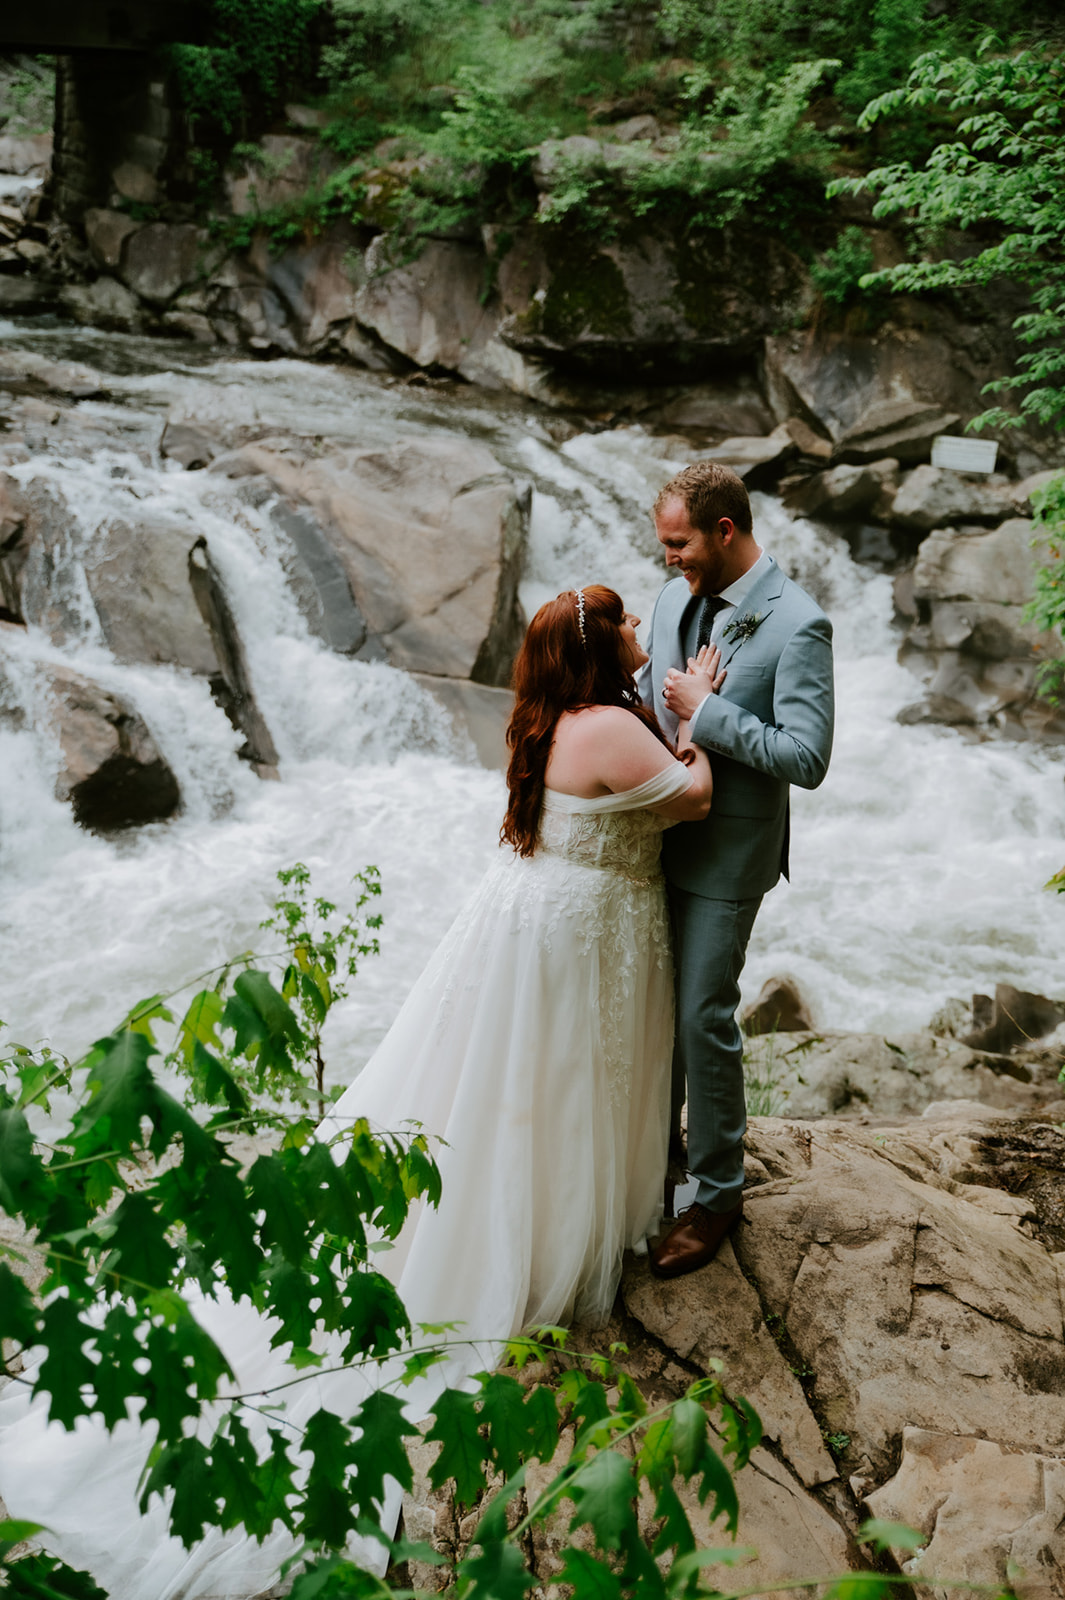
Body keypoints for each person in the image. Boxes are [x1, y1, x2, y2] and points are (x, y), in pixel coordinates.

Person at [0, 586, 712, 1600]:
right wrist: (699, 714)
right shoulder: (609, 725)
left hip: (543, 921)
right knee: (560, 1082)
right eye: (630, 622)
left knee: (519, 1086)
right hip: (584, 931)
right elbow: (695, 798)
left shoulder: (556, 719)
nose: (647, 628)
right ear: (606, 648)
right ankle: (535, 1234)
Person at [636, 463, 834, 1280]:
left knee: (701, 1016)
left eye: (679, 545)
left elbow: (807, 757)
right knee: (651, 1014)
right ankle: (652, 1168)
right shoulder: (666, 599)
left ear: (724, 531)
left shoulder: (800, 623)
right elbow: (647, 699)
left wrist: (708, 715)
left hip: (729, 854)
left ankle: (717, 1194)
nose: (669, 561)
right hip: (648, 839)